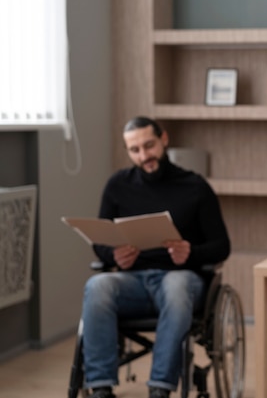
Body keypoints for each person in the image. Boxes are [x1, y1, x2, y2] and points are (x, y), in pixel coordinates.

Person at [81, 116, 231, 398]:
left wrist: (191, 252)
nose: (144, 156)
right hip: (132, 281)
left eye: (149, 146)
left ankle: (160, 388)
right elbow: (100, 243)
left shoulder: (195, 186)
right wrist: (114, 255)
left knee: (176, 286)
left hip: (182, 279)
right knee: (97, 286)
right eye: (135, 150)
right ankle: (100, 387)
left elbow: (222, 246)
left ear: (164, 139)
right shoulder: (117, 185)